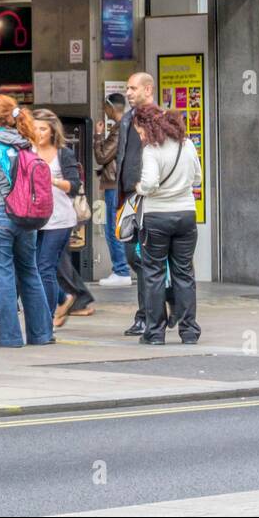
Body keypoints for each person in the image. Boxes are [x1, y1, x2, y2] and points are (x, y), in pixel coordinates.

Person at [0, 94, 54, 348]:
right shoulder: (26, 144)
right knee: (30, 272)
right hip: (26, 217)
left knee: (3, 276)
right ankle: (41, 334)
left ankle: (10, 336)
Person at [132, 104, 203, 344]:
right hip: (185, 215)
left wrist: (140, 188)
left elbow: (150, 183)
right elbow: (197, 178)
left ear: (147, 127)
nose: (140, 136)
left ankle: (154, 333)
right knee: (184, 273)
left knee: (154, 273)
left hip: (157, 217)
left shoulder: (152, 149)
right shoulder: (188, 144)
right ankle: (189, 330)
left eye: (139, 131)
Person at [31, 109, 87, 328]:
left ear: (53, 130)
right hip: (33, 218)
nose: (38, 133)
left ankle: (45, 318)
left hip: (60, 219)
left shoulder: (63, 153)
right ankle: (63, 298)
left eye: (43, 128)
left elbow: (73, 186)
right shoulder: (28, 150)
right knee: (35, 267)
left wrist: (52, 180)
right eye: (34, 128)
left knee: (45, 266)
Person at [114, 72, 157, 336]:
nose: (128, 93)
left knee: (146, 256)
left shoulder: (157, 119)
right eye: (127, 88)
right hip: (129, 196)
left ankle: (148, 314)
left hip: (150, 195)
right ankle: (151, 310)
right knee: (134, 255)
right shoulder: (128, 119)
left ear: (148, 89)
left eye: (133, 88)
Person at [93, 92, 133, 288]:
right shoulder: (125, 125)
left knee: (112, 228)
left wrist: (98, 135)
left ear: (110, 107)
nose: (104, 111)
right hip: (117, 183)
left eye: (105, 107)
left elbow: (102, 155)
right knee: (115, 226)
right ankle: (121, 269)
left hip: (114, 185)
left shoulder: (120, 128)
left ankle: (121, 270)